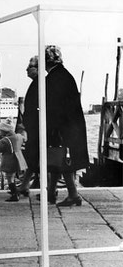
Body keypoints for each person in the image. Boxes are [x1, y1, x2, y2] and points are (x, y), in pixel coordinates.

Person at [44, 45, 89, 207]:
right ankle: (53, 193)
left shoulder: (54, 78)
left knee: (63, 160)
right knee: (61, 159)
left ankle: (72, 194)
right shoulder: (64, 74)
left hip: (63, 127)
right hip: (71, 125)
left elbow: (54, 106)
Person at [16, 56, 40, 197]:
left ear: (37, 69)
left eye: (29, 67)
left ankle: (49, 188)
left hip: (37, 128)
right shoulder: (36, 84)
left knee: (38, 157)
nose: (26, 69)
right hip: (33, 128)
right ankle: (25, 185)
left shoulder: (39, 84)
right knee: (33, 157)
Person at [0, 117, 28, 202]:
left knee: (9, 177)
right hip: (19, 159)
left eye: (0, 130)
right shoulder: (19, 136)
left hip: (9, 160)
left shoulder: (5, 140)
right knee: (15, 176)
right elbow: (24, 139)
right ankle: (21, 190)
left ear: (5, 131)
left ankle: (14, 194)